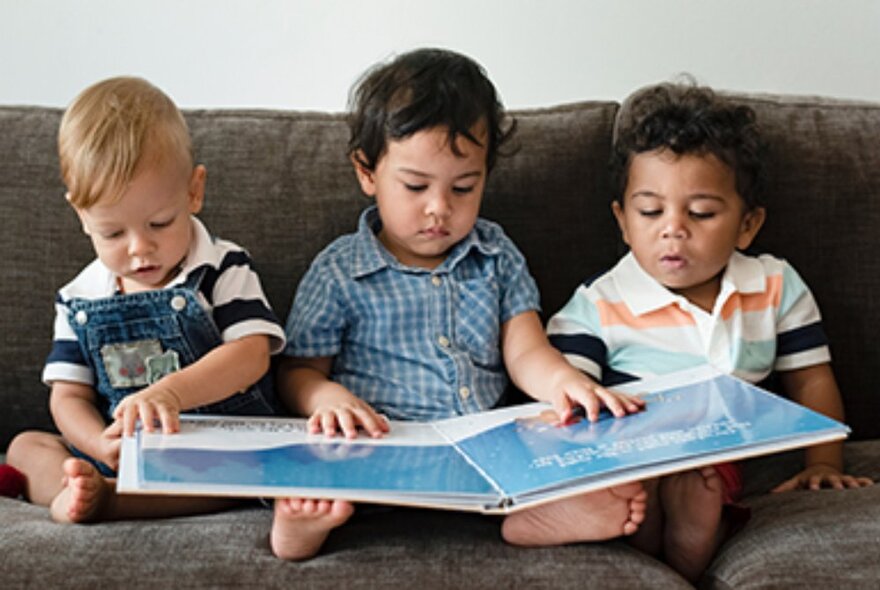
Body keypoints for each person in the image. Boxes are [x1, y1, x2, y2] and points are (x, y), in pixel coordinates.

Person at [269, 48, 648, 560]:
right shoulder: (340, 270)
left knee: (560, 444)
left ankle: (532, 513)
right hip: (379, 450)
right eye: (415, 186)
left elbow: (526, 351)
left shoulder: (496, 256)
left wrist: (565, 385)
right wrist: (325, 398)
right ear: (366, 172)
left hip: (485, 450)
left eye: (464, 187)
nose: (439, 209)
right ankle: (303, 527)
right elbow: (295, 371)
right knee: (312, 462)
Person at [546, 80, 875, 582]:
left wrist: (823, 462)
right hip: (636, 449)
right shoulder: (599, 303)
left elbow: (811, 380)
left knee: (703, 482)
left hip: (722, 453)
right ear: (623, 221)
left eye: (700, 213)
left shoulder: (773, 284)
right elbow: (566, 398)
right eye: (650, 211)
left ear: (747, 225)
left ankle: (688, 537)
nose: (672, 228)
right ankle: (652, 525)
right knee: (638, 481)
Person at [5, 77, 286, 524]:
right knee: (25, 447)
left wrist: (171, 393)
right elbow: (67, 397)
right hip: (118, 452)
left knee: (252, 469)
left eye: (159, 223)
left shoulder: (221, 267)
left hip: (212, 448)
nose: (139, 249)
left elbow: (251, 355)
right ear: (81, 216)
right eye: (113, 233)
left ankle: (114, 501)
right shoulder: (79, 299)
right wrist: (99, 444)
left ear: (194, 191)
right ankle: (77, 489)